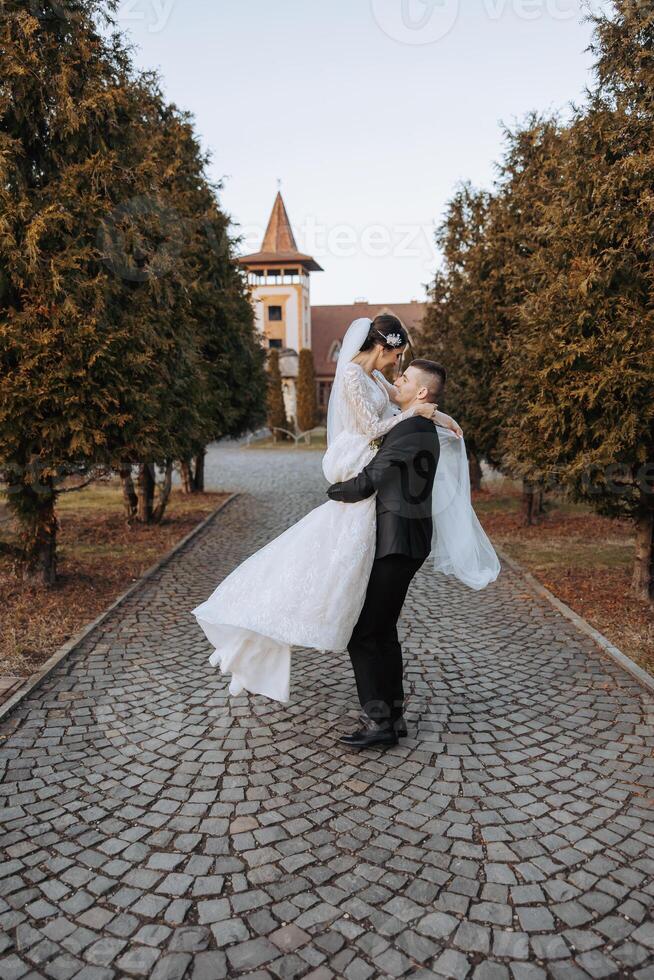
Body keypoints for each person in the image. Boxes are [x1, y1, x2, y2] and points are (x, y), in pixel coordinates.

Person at [192, 314, 499, 707]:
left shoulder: (375, 379)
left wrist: (436, 413)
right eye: (397, 357)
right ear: (382, 347)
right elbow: (373, 427)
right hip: (362, 454)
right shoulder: (354, 376)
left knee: (356, 583)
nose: (397, 366)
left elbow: (403, 398)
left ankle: (350, 636)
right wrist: (417, 414)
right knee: (334, 553)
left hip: (376, 469)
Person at [327, 359, 444, 748]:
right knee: (383, 628)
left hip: (398, 542)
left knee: (362, 633)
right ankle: (393, 716)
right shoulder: (415, 423)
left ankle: (379, 723)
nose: (398, 380)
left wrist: (333, 491)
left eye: (405, 378)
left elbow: (370, 480)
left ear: (422, 392)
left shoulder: (413, 428)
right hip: (405, 540)